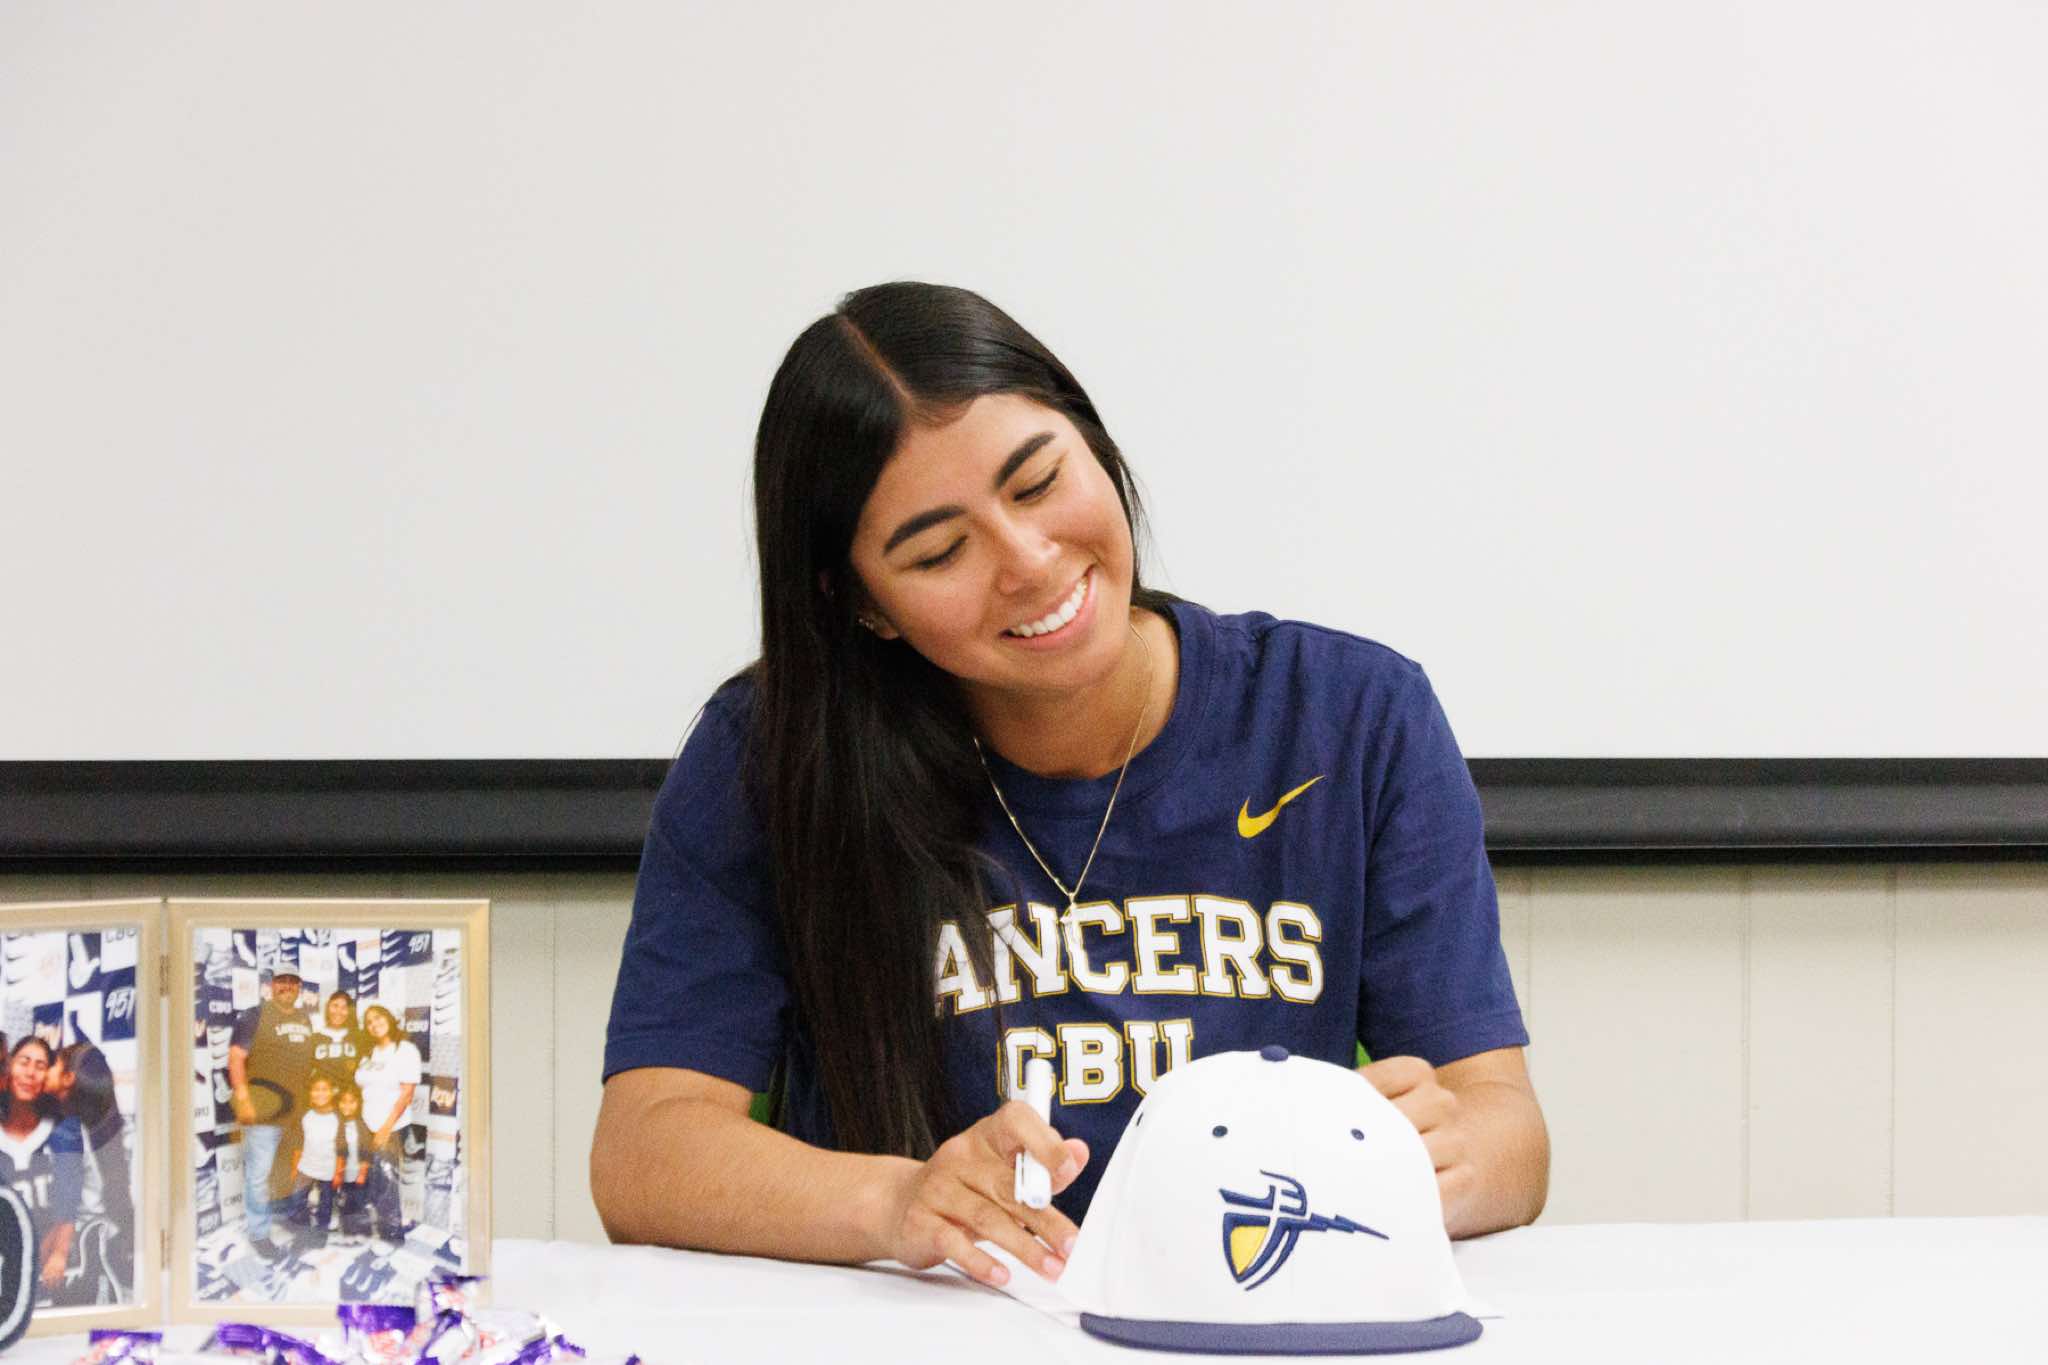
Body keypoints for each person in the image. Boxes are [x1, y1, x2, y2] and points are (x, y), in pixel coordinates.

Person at [591, 283, 1549, 1289]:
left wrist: (1438, 1164)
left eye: (1040, 481)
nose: (1028, 561)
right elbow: (644, 1153)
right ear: (863, 606)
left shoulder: (1349, 717)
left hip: (1251, 1326)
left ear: (1093, 443)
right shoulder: (771, 758)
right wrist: (898, 1202)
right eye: (940, 551)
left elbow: (1505, 1131)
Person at [226, 966, 313, 1260]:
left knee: (286, 1170)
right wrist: (243, 1098)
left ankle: (286, 1214)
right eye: (281, 981)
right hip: (264, 1110)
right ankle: (259, 1233)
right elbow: (236, 1058)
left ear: (299, 987)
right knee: (258, 1175)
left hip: (296, 1112)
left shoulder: (304, 1018)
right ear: (272, 985)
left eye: (292, 982)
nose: (287, 986)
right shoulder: (254, 1015)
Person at [45, 1042, 133, 1304]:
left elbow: (72, 1202)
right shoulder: (107, 1131)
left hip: (76, 1257)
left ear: (68, 1079)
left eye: (53, 1063)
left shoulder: (71, 1137)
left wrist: (57, 1249)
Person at [0, 1038, 83, 1302]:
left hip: (47, 1263)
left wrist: (59, 1253)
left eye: (40, 1066)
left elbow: (69, 1203)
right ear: (9, 1067)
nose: (30, 1073)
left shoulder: (63, 1132)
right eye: (24, 1062)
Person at [354, 1004, 420, 1240]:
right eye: (369, 1022)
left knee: (387, 1181)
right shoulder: (368, 1052)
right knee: (375, 1180)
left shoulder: (405, 1050)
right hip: (367, 1123)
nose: (374, 1024)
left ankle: (391, 1233)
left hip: (390, 1126)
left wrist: (385, 1128)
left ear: (390, 1018)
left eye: (378, 1017)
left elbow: (407, 1094)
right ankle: (385, 1223)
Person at [282, 1072, 342, 1248]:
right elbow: (298, 1144)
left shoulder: (338, 1118)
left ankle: (321, 1235)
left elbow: (341, 1148)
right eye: (316, 1089)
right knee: (297, 1202)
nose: (320, 1094)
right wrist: (295, 1167)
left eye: (324, 1089)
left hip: (328, 1169)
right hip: (306, 1167)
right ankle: (303, 1232)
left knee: (326, 1204)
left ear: (332, 1092)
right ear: (310, 1093)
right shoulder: (305, 1116)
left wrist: (338, 1172)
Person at [331, 1083, 375, 1240]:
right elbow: (339, 1150)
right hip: (343, 1174)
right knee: (345, 1204)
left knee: (359, 1203)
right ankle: (348, 1233)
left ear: (358, 1103)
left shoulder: (361, 1124)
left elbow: (367, 1151)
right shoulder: (338, 1123)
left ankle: (363, 1234)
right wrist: (337, 1173)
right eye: (343, 1102)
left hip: (359, 1173)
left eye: (352, 1102)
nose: (347, 1106)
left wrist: (362, 1174)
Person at [311, 991, 367, 1089]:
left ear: (350, 1011)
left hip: (349, 1095)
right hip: (324, 1095)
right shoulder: (315, 1038)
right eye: (335, 1006)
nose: (338, 1012)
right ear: (327, 1007)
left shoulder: (358, 1037)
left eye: (344, 1008)